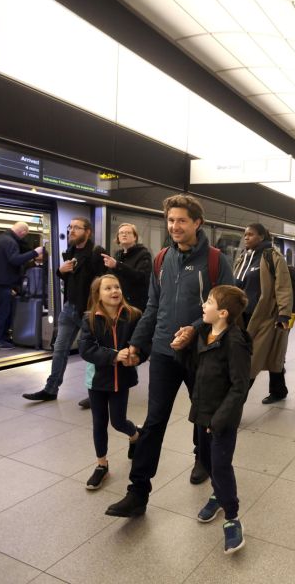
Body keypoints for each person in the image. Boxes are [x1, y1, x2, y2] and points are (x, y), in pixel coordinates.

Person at [106, 194, 234, 518]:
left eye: (181, 221)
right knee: (154, 422)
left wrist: (193, 329)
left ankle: (203, 460)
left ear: (197, 223)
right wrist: (137, 343)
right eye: (170, 220)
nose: (174, 226)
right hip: (165, 351)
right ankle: (138, 493)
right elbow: (153, 306)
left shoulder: (217, 261)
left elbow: (227, 309)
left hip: (202, 354)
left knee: (205, 416)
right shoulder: (162, 259)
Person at [170, 285, 251, 555]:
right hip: (201, 411)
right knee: (205, 461)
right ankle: (217, 495)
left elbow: (240, 387)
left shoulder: (235, 342)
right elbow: (194, 368)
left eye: (209, 302)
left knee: (220, 465)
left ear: (223, 313)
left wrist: (218, 420)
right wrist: (180, 348)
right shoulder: (204, 334)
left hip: (221, 418)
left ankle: (232, 518)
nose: (203, 306)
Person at [21, 218, 106, 401]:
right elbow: (68, 278)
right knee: (59, 349)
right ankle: (51, 389)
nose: (72, 231)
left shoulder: (97, 253)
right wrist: (61, 271)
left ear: (88, 231)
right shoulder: (70, 251)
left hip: (88, 310)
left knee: (90, 352)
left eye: (77, 228)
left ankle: (96, 391)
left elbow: (104, 283)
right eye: (70, 227)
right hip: (69, 308)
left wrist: (98, 309)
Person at [78, 275, 143, 488]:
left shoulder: (133, 315)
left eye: (117, 286)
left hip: (121, 380)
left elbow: (141, 343)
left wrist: (136, 356)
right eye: (107, 288)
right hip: (97, 380)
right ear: (98, 294)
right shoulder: (89, 318)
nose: (114, 291)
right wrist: (114, 356)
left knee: (117, 421)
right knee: (99, 423)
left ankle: (134, 435)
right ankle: (101, 465)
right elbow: (87, 349)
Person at [80, 223, 152, 409]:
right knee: (108, 345)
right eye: (121, 233)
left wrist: (117, 266)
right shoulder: (118, 255)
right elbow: (110, 278)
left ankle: (121, 382)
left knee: (126, 346)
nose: (124, 235)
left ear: (135, 236)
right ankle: (101, 387)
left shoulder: (143, 254)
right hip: (113, 307)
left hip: (130, 308)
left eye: (128, 232)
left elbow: (141, 278)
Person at [232, 224, 293, 404]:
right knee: (273, 356)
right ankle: (279, 390)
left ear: (261, 237)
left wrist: (284, 314)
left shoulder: (272, 257)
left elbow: (283, 286)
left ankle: (232, 408)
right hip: (242, 317)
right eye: (245, 234)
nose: (246, 238)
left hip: (266, 316)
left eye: (250, 234)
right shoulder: (243, 257)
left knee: (250, 362)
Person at [0, 221, 43, 349]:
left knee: (2, 311)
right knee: (4, 312)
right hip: (2, 282)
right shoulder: (10, 242)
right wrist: (35, 252)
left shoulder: (0, 239)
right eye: (25, 235)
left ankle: (2, 338)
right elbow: (14, 260)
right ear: (23, 232)